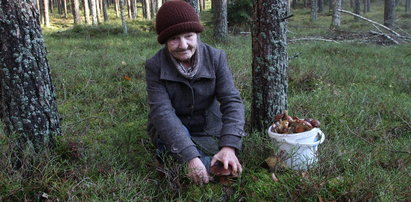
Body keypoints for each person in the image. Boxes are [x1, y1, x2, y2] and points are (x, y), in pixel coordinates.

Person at [145, 0, 246, 185]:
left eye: (189, 36)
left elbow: (232, 101)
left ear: (197, 35)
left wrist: (229, 146)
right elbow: (162, 113)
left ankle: (204, 166)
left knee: (226, 153)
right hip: (172, 126)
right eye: (174, 39)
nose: (183, 45)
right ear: (165, 41)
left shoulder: (216, 57)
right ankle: (195, 166)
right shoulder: (154, 66)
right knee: (177, 150)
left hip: (208, 125)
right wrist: (191, 157)